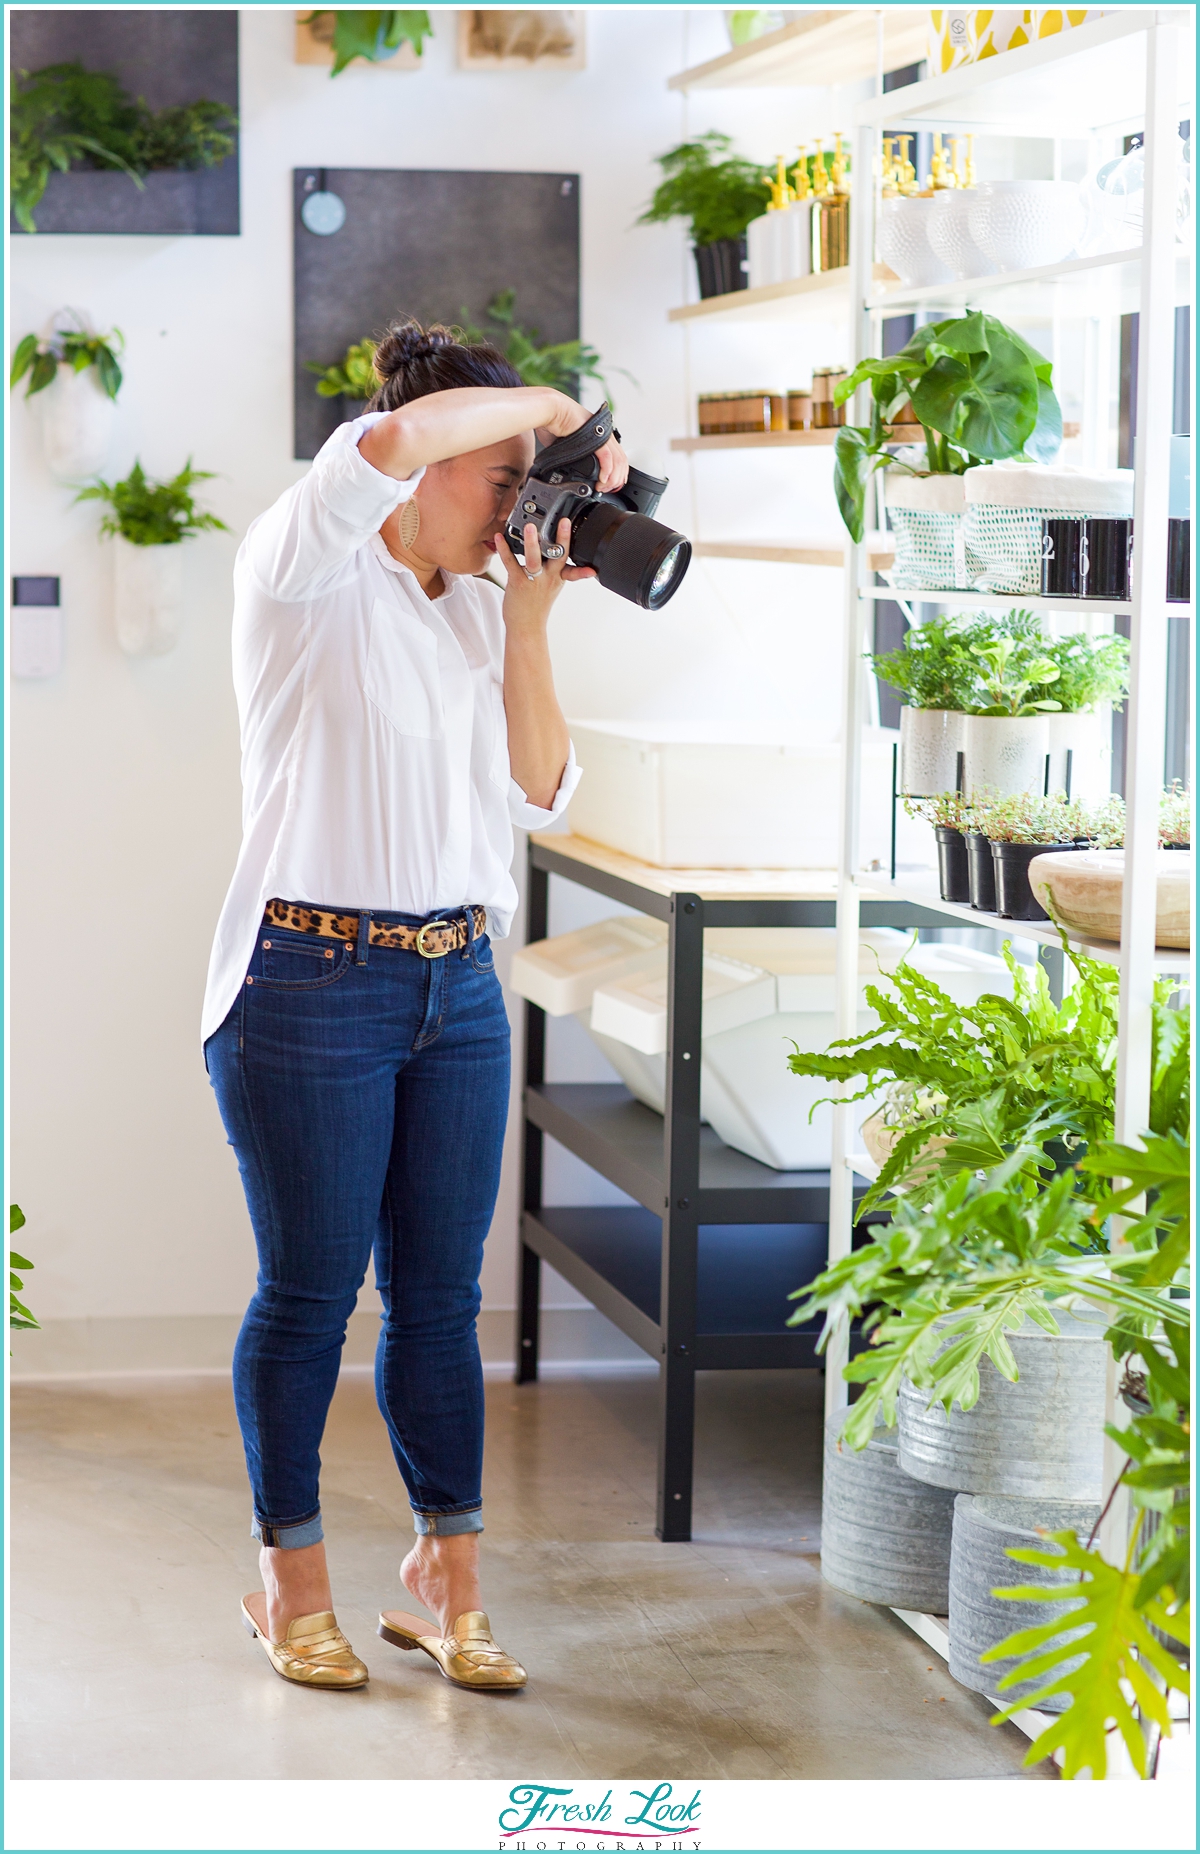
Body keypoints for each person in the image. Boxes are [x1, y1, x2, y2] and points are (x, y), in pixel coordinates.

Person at [203, 320, 627, 1692]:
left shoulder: (470, 607)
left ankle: (445, 1577)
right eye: (500, 477)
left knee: (441, 1303)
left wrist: (526, 615)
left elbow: (545, 787)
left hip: (459, 986)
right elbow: (386, 440)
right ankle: (289, 1581)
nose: (520, 505)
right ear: (424, 469)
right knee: (313, 1294)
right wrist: (555, 402)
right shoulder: (304, 564)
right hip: (308, 980)